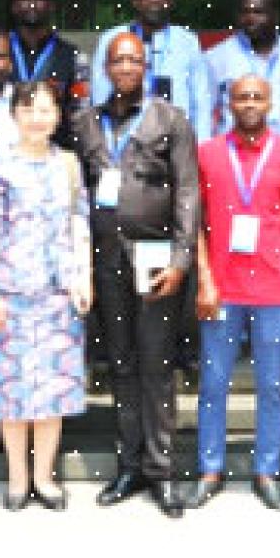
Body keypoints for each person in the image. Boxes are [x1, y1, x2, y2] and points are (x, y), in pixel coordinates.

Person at [73, 32, 198, 517]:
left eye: (134, 60)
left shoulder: (170, 120)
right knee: (121, 364)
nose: (126, 67)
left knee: (156, 366)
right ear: (107, 66)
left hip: (154, 259)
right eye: (118, 59)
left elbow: (188, 193)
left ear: (146, 67)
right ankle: (129, 465)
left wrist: (181, 261)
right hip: (105, 258)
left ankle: (162, 470)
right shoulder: (86, 121)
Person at [189, 76, 280, 512]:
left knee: (272, 384)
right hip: (221, 288)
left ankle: (267, 471)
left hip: (274, 287)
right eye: (241, 96)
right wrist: (204, 278)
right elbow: (195, 224)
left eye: (257, 96)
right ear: (228, 103)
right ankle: (210, 469)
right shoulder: (206, 155)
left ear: (270, 102)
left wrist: (276, 250)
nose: (249, 103)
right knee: (214, 382)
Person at [0, 81, 93, 510]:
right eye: (29, 109)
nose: (38, 117)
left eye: (46, 109)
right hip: (10, 291)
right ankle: (17, 479)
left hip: (58, 292)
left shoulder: (70, 165)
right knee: (12, 389)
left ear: (57, 116)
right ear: (15, 115)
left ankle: (45, 477)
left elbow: (80, 224)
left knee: (52, 390)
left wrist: (84, 277)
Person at [89, 0, 217, 143]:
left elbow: (201, 102)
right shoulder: (112, 39)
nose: (155, 0)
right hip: (127, 143)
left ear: (170, 1)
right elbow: (100, 98)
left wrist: (201, 148)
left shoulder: (188, 41)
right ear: (135, 1)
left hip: (176, 143)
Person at [206, 0, 280, 138]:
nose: (250, 19)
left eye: (258, 12)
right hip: (232, 153)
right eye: (245, 12)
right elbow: (204, 111)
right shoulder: (216, 57)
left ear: (275, 16)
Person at [7, 0, 85, 109]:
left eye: (39, 0)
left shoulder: (73, 55)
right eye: (25, 0)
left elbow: (81, 104)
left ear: (51, 7)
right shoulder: (0, 51)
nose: (32, 5)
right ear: (14, 7)